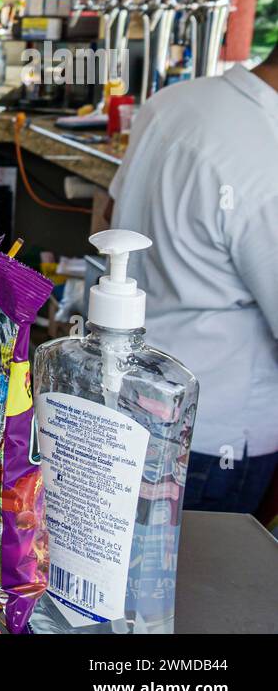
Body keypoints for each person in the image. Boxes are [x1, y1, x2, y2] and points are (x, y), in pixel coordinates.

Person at [108, 42, 278, 515]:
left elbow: (106, 217)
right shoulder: (268, 159)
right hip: (213, 440)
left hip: (126, 408)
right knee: (205, 584)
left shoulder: (174, 102)